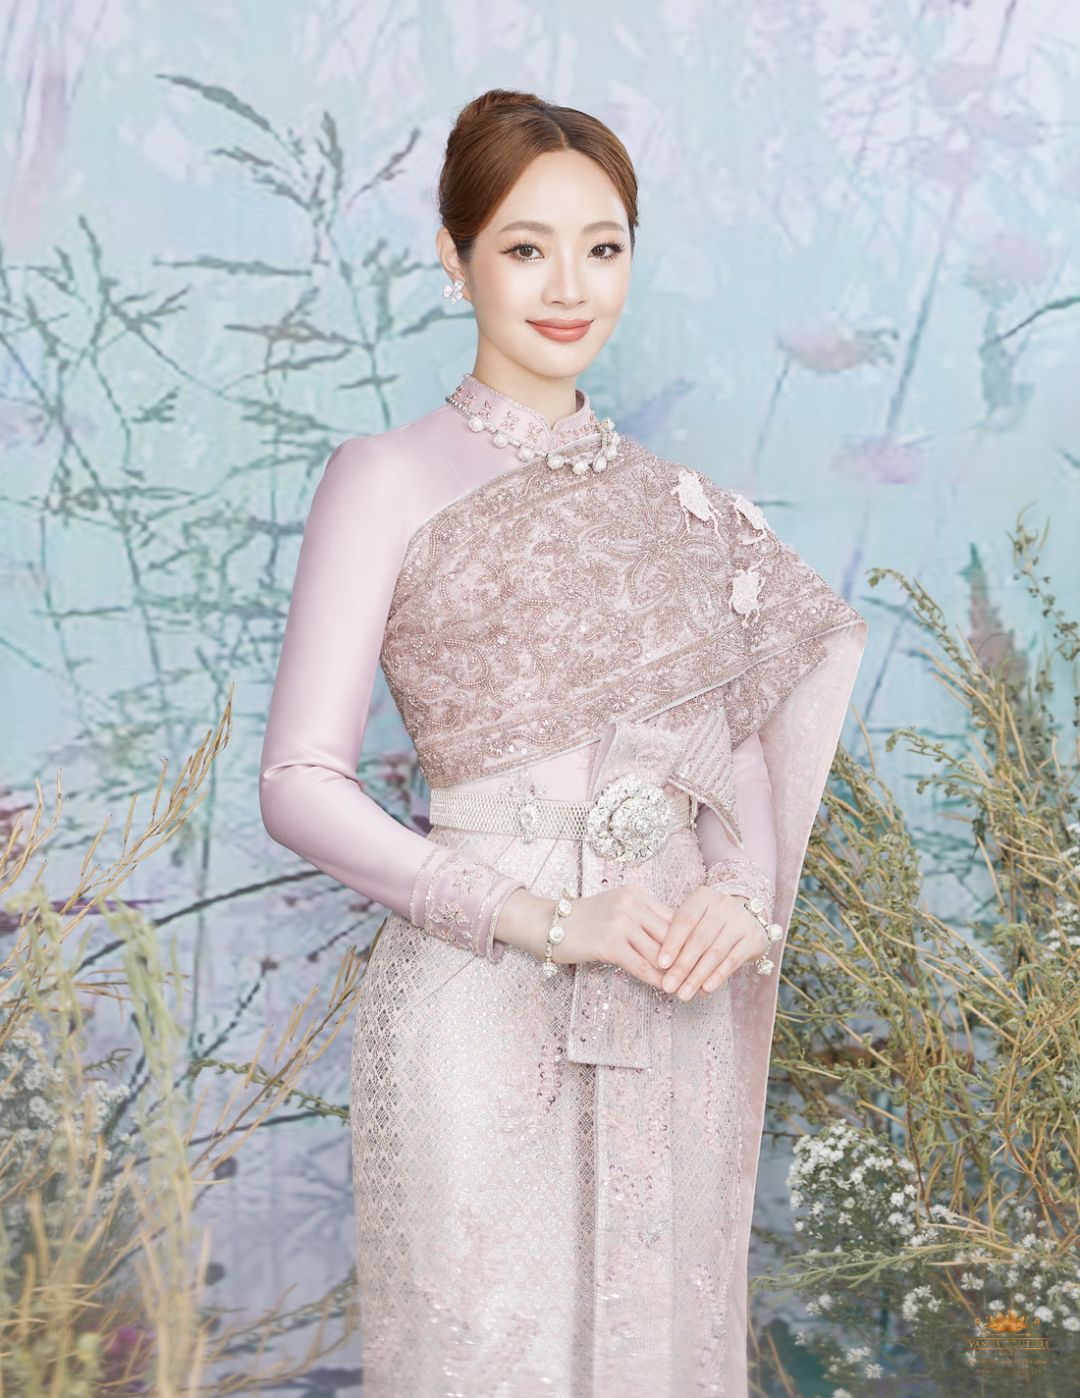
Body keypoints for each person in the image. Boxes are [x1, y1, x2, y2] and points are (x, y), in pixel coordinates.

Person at [259, 88, 867, 1398]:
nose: (569, 286)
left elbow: (736, 751)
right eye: (526, 247)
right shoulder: (383, 478)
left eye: (603, 247)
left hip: (668, 995)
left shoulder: (685, 509)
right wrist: (540, 918)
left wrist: (742, 900)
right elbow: (298, 782)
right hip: (482, 997)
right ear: (455, 256)